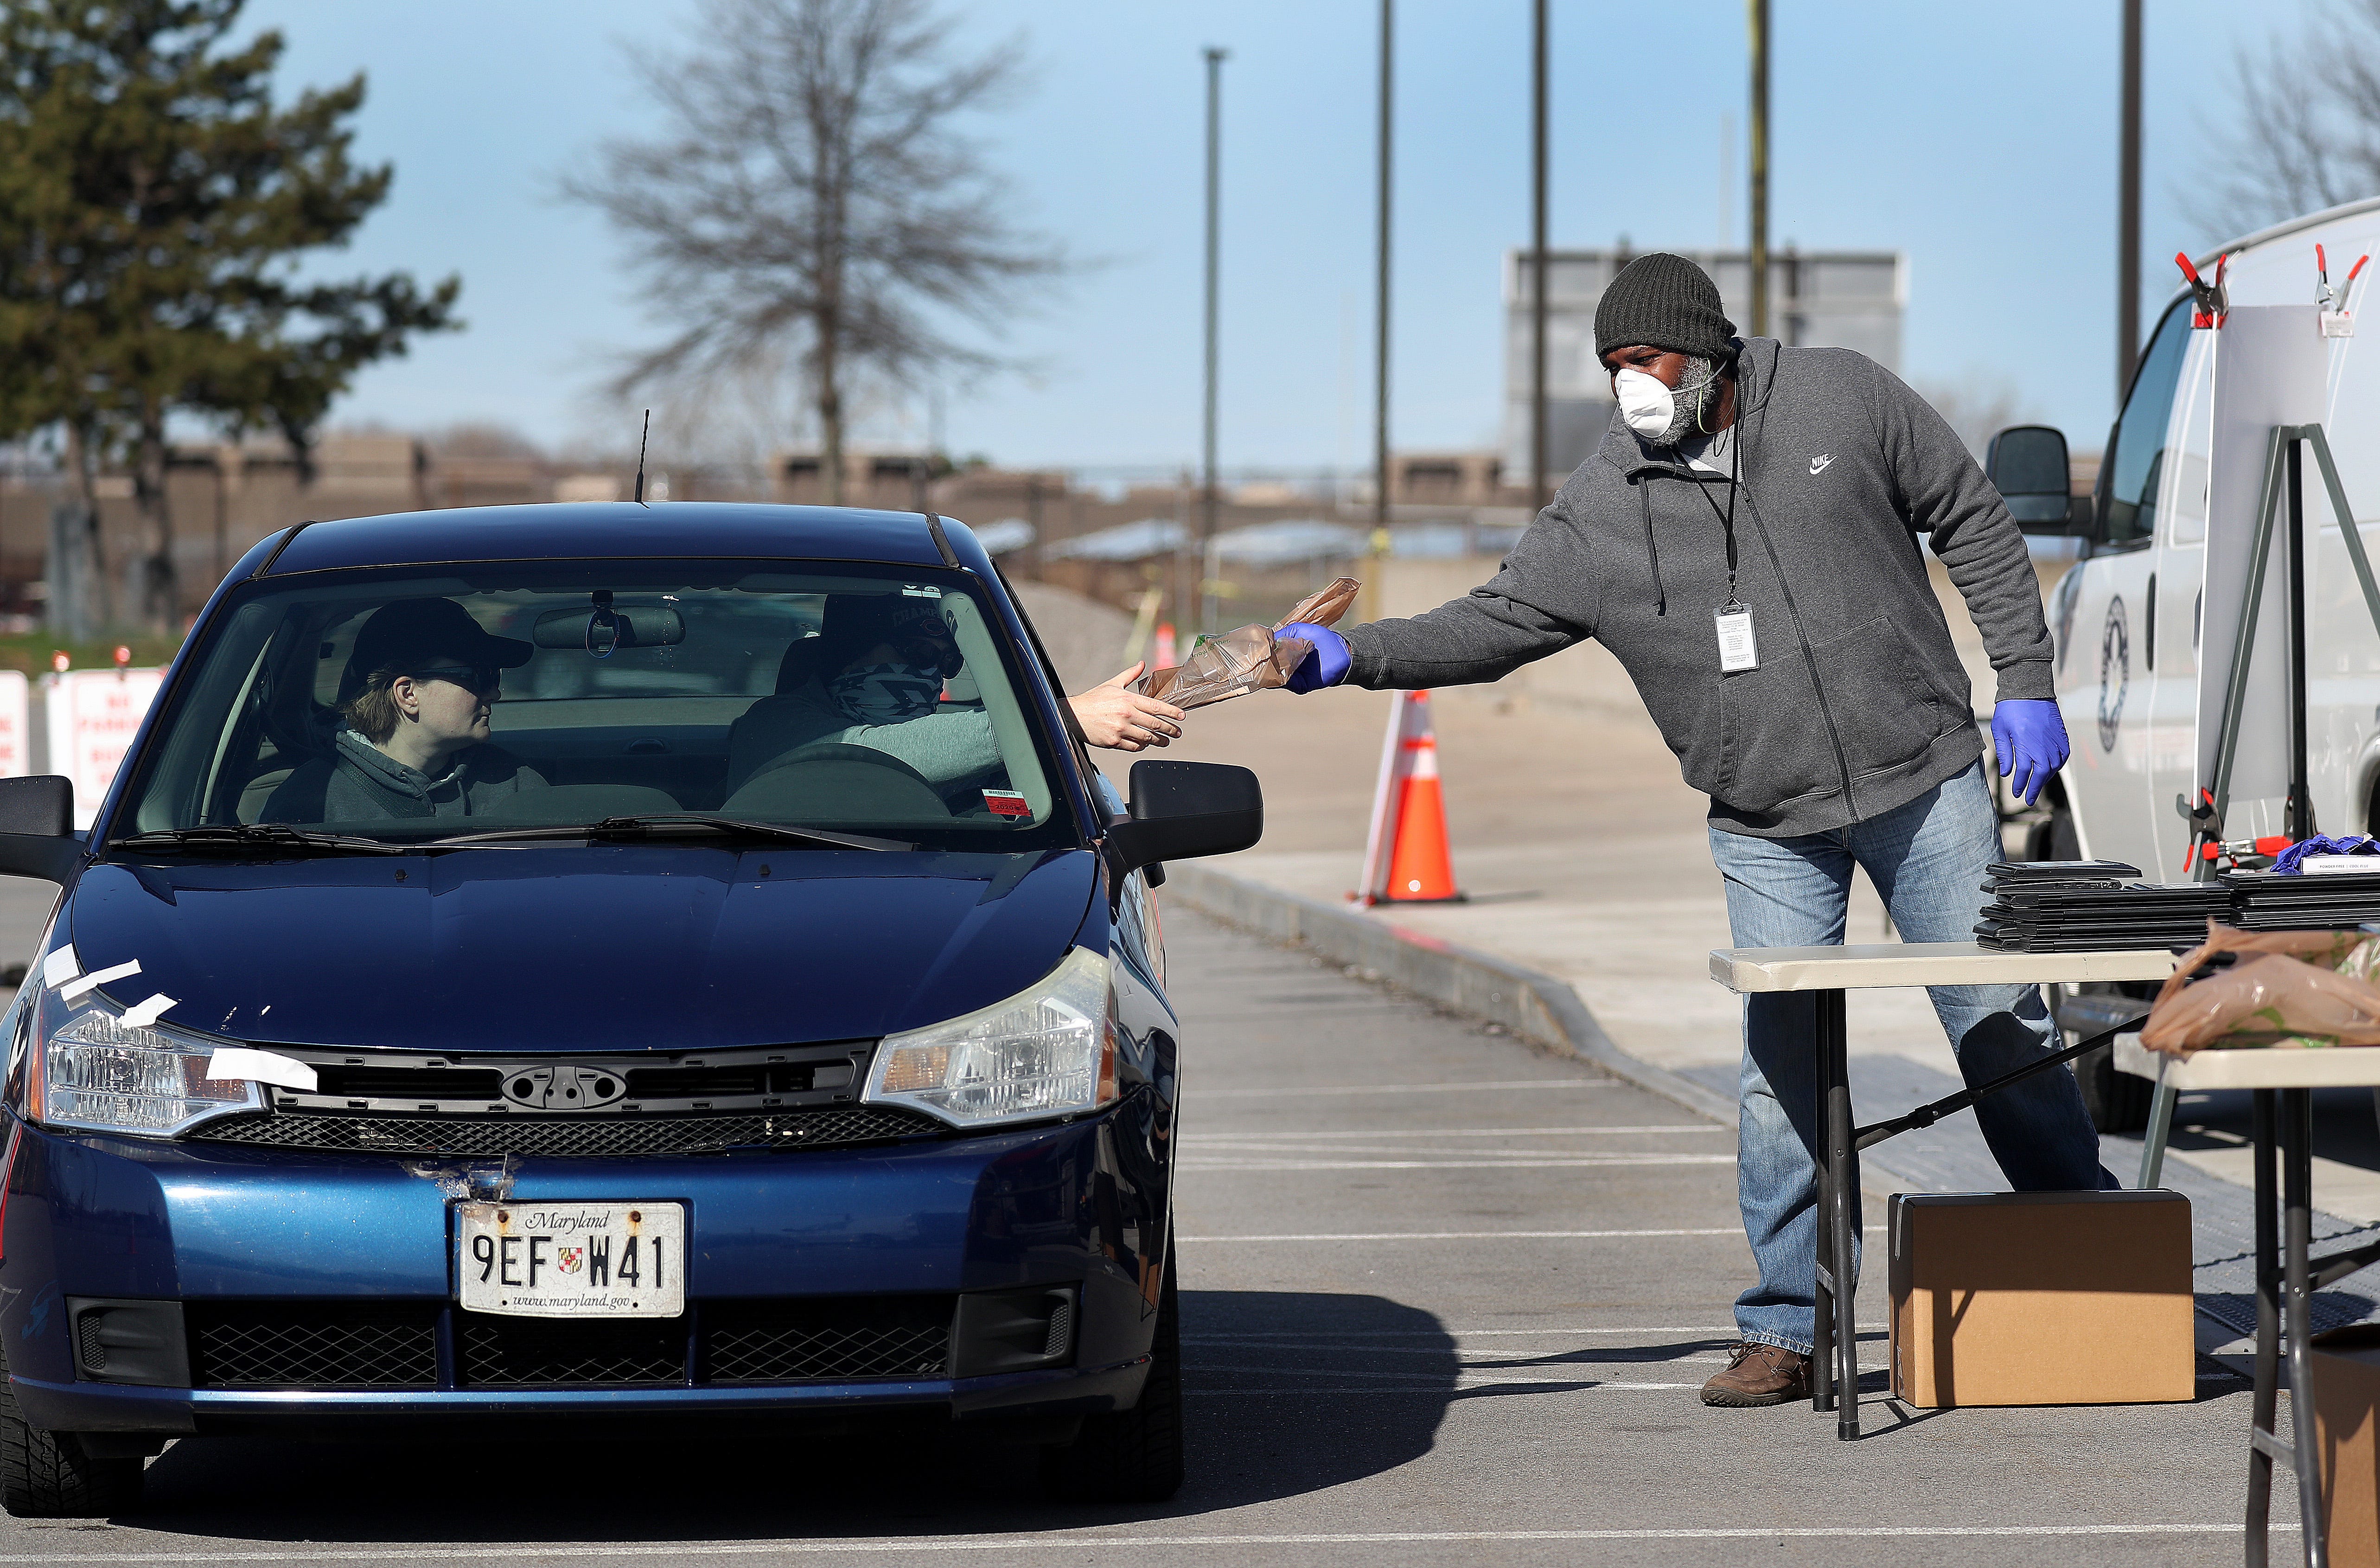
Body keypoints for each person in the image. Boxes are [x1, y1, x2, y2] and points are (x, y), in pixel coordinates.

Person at [1275, 252, 2109, 1409]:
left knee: (1998, 1023)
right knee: (1783, 1066)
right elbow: (1498, 618)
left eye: (1649, 361)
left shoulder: (1840, 397)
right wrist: (1353, 656)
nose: (1633, 387)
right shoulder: (1606, 503)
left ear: (1709, 351)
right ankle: (1788, 1326)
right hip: (1766, 819)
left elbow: (1969, 517)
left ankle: (2098, 1261)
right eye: (1613, 367)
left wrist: (2024, 678)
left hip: (1925, 778)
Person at [722, 594, 1187, 798]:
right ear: (850, 652)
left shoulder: (977, 747)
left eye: (945, 661)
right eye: (917, 651)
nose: (931, 673)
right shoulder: (771, 727)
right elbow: (861, 756)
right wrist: (1056, 719)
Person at [264, 598, 545, 822]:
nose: (494, 693)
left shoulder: (517, 783)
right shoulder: (313, 800)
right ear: (408, 694)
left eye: (494, 676)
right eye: (478, 676)